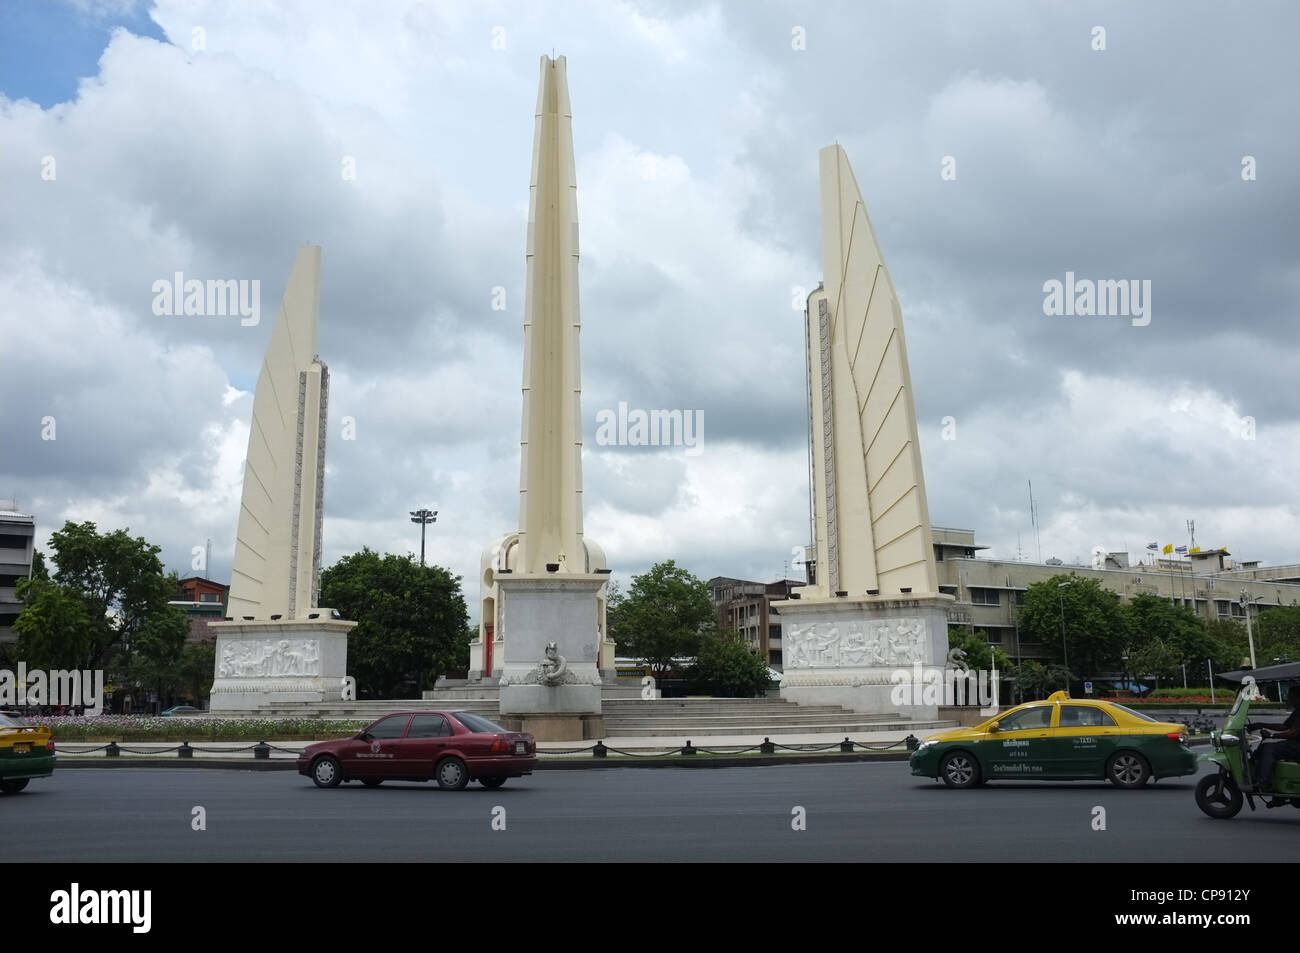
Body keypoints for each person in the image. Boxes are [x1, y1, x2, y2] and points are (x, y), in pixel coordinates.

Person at [1250, 686, 1300, 797]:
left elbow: (1293, 733)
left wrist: (1272, 735)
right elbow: (1283, 726)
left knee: (1269, 749)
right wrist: (1261, 724)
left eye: (1291, 697)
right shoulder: (1297, 712)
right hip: (1294, 744)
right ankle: (1255, 775)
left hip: (1297, 746)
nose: (1289, 699)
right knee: (1263, 747)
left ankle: (1264, 782)